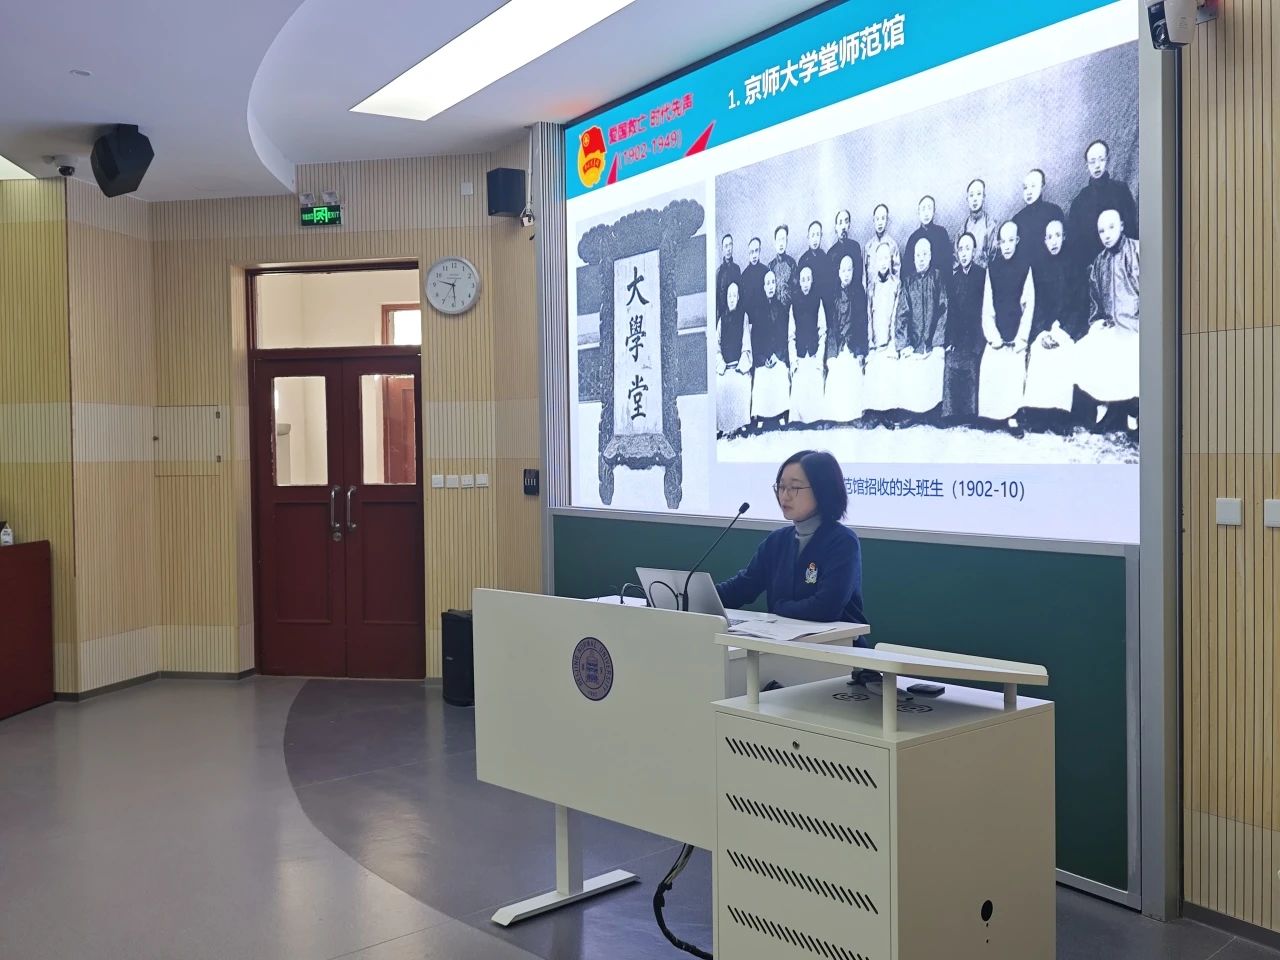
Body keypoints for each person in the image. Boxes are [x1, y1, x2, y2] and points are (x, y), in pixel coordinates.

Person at [716, 450, 866, 629]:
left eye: (794, 488)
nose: (784, 496)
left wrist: (779, 607)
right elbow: (741, 589)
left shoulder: (843, 542)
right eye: (781, 487)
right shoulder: (776, 541)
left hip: (837, 643)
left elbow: (826, 608)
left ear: (822, 489)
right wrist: (693, 595)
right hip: (782, 641)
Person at [1075, 208, 1140, 434]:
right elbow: (1095, 301)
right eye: (1101, 231)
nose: (1107, 234)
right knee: (1089, 348)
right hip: (1112, 325)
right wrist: (1098, 321)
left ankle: (1133, 411)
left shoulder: (1137, 251)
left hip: (1136, 325)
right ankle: (1104, 404)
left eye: (1111, 227)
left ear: (1122, 225)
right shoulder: (1099, 262)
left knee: (1132, 352)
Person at [1022, 220, 1084, 432]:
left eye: (1057, 235)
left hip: (1066, 330)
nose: (1054, 241)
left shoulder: (1075, 266)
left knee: (1063, 355)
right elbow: (1036, 304)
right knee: (1039, 353)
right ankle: (1039, 415)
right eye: (1049, 237)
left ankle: (1060, 417)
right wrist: (1042, 332)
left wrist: (1062, 332)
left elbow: (1079, 304)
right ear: (1044, 240)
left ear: (1064, 237)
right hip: (1044, 329)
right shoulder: (1039, 268)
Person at [979, 221, 1035, 432]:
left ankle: (1012, 416)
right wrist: (993, 336)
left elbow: (1028, 305)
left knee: (1014, 369)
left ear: (1017, 241)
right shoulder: (992, 268)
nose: (1007, 246)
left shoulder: (1025, 267)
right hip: (997, 332)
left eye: (1011, 240)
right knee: (990, 364)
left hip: (1016, 334)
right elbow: (987, 305)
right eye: (1003, 241)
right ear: (998, 243)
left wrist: (1021, 338)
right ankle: (992, 415)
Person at [893, 237, 949, 422]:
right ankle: (911, 414)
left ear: (930, 256)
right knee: (908, 366)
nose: (921, 259)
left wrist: (937, 342)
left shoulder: (938, 278)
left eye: (925, 254)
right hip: (914, 343)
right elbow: (901, 316)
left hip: (932, 342)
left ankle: (932, 414)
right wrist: (904, 345)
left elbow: (943, 311)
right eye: (918, 255)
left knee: (935, 364)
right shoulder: (908, 282)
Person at [1067, 139, 1139, 276]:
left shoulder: (1121, 191)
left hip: (1123, 265)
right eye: (1092, 161)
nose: (1097, 165)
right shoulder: (1079, 201)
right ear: (1087, 165)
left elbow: (1131, 228)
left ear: (1107, 160)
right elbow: (1076, 243)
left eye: (1101, 159)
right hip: (1094, 269)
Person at [943, 232, 987, 424]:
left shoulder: (982, 276)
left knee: (971, 364)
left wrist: (978, 344)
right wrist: (951, 341)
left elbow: (985, 311)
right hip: (959, 338)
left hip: (977, 337)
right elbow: (952, 313)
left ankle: (970, 415)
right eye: (960, 249)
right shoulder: (954, 278)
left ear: (974, 252)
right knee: (951, 362)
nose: (963, 253)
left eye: (967, 249)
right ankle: (952, 415)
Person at [821, 254, 868, 426]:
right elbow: (831, 328)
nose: (846, 274)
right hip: (838, 346)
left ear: (853, 271)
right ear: (839, 272)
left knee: (853, 371)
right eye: (843, 270)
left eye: (849, 270)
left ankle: (854, 416)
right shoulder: (833, 295)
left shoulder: (859, 293)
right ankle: (833, 417)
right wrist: (831, 354)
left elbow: (862, 324)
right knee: (835, 372)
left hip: (853, 345)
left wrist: (860, 352)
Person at [863, 241, 902, 422]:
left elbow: (896, 316)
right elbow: (868, 316)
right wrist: (871, 344)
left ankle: (887, 413)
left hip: (889, 342)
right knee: (873, 367)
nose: (884, 262)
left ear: (891, 260)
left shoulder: (896, 284)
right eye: (880, 259)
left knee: (889, 367)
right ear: (876, 262)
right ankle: (875, 413)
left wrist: (892, 344)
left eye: (886, 258)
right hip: (875, 343)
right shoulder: (871, 287)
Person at [749, 270, 791, 432]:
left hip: (777, 356)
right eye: (768, 283)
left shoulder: (781, 308)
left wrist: (776, 355)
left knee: (780, 373)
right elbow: (755, 339)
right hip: (763, 358)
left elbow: (784, 336)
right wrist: (763, 358)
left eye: (773, 282)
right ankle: (761, 416)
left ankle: (780, 414)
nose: (771, 286)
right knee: (762, 377)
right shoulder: (757, 309)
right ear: (764, 287)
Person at [788, 266, 826, 424]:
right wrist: (793, 361)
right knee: (799, 382)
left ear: (812, 281)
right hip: (800, 355)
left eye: (808, 279)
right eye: (803, 280)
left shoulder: (818, 301)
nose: (805, 283)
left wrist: (819, 359)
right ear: (799, 282)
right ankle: (799, 421)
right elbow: (791, 336)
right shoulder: (794, 303)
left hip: (814, 354)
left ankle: (816, 420)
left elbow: (823, 332)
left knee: (816, 379)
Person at [715, 282, 751, 439]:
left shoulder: (743, 316)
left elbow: (746, 343)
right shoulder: (722, 319)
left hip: (738, 366)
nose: (731, 299)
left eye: (734, 296)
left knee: (741, 384)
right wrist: (721, 364)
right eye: (729, 296)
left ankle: (741, 424)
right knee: (720, 385)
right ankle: (723, 426)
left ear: (738, 298)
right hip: (725, 367)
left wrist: (741, 366)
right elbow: (716, 345)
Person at [1012, 170, 1065, 267]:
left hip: (1053, 268)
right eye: (1025, 187)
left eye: (1033, 186)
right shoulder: (1017, 219)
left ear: (1042, 186)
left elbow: (1064, 247)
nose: (1029, 192)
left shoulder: (1054, 211)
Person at [905, 196, 951, 279]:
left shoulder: (942, 233)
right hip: (918, 283)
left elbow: (947, 263)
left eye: (929, 208)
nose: (926, 213)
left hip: (939, 282)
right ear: (918, 212)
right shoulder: (913, 238)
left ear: (934, 212)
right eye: (923, 209)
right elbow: (907, 268)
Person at [960, 178, 998, 269]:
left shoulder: (991, 225)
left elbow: (994, 256)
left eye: (978, 194)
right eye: (971, 195)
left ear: (983, 197)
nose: (975, 199)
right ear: (967, 199)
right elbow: (957, 258)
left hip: (985, 273)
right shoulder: (964, 227)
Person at [863, 204, 901, 293]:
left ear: (887, 220)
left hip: (888, 292)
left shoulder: (892, 245)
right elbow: (864, 274)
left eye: (883, 218)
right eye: (877, 219)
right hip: (872, 292)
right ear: (873, 220)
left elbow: (897, 272)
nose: (880, 222)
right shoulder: (868, 246)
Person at [797, 220, 832, 314]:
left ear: (821, 236)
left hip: (824, 303)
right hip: (808, 305)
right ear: (808, 237)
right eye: (812, 235)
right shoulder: (803, 260)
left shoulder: (826, 258)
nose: (815, 239)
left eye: (817, 235)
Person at [769, 225, 797, 311]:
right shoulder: (770, 266)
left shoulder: (792, 264)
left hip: (789, 310)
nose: (781, 244)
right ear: (775, 242)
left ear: (787, 242)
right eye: (778, 240)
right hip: (774, 311)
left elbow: (796, 289)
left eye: (783, 240)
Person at [715, 234, 741, 322]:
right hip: (723, 316)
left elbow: (740, 294)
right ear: (722, 249)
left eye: (730, 245)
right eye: (726, 246)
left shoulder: (737, 269)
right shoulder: (719, 272)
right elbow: (717, 298)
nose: (728, 249)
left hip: (736, 314)